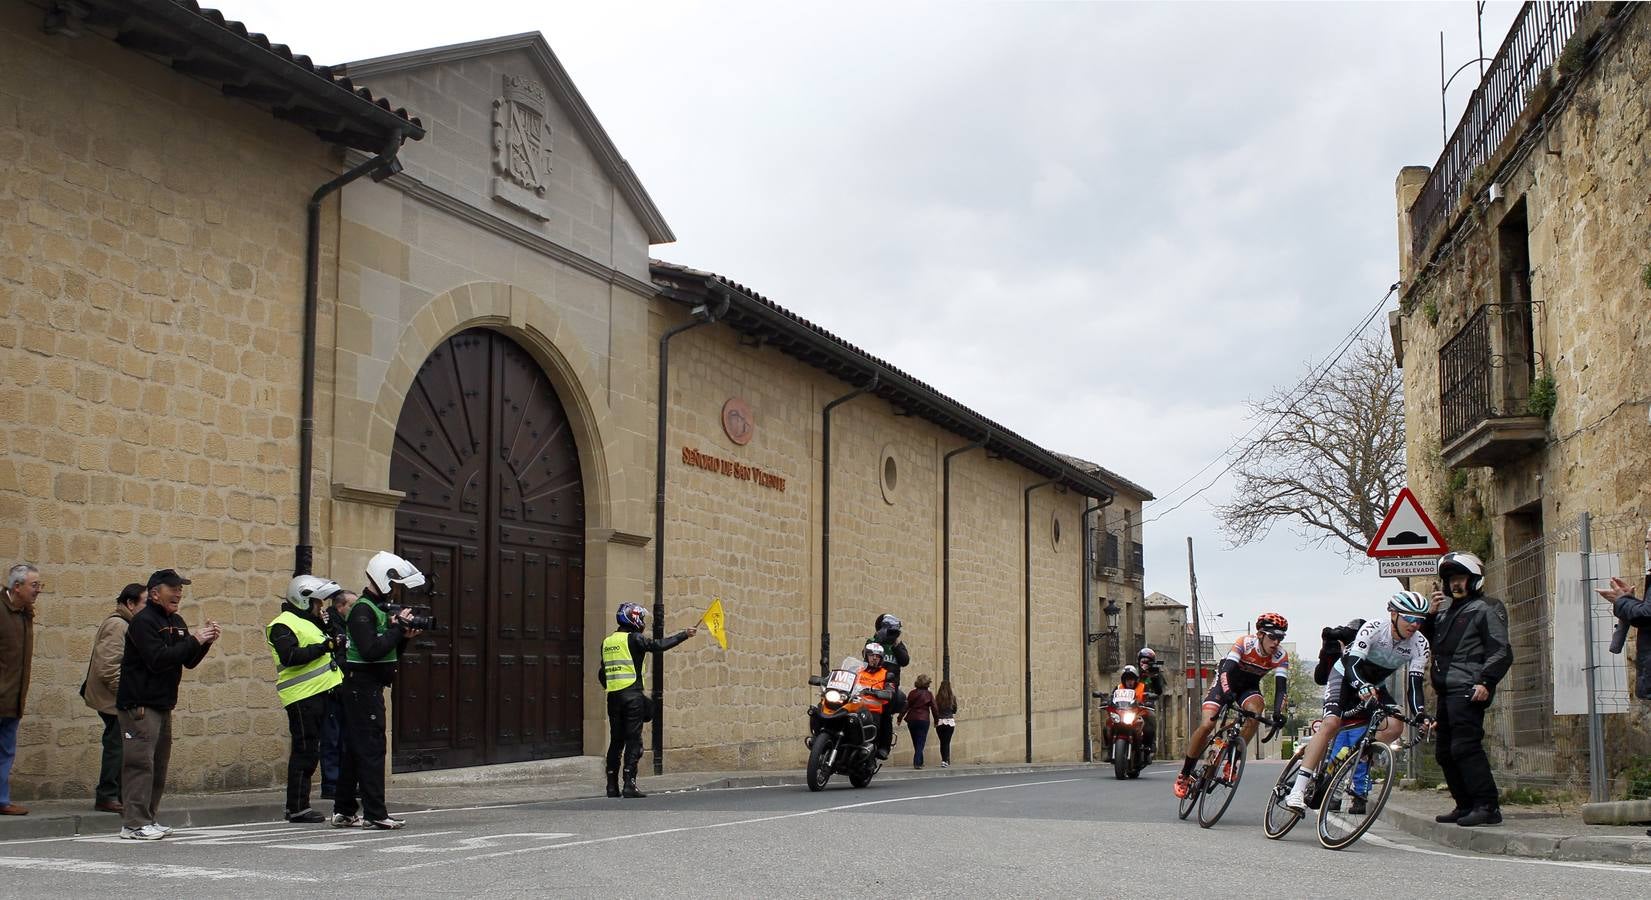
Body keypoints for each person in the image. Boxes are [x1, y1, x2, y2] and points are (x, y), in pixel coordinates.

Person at [1285, 592, 1432, 813]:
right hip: (1346, 677)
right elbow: (1353, 664)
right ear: (1393, 614)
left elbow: (1415, 685)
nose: (1415, 624)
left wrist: (1420, 714)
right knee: (1331, 724)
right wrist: (1361, 684)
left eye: (1420, 619)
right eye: (1409, 618)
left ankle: (1354, 756)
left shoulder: (1420, 644)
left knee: (1395, 725)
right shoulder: (1374, 628)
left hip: (1374, 685)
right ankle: (1298, 789)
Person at [117, 569, 219, 840]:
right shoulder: (143, 622)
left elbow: (187, 660)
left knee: (158, 764)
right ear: (154, 593)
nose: (178, 592)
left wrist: (204, 643)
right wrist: (194, 640)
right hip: (139, 704)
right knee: (140, 763)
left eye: (180, 588)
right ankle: (134, 824)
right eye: (172, 588)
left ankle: (149, 818)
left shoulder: (176, 620)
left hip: (162, 703)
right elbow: (157, 658)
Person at [334, 552, 424, 830]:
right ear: (384, 579)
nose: (397, 590)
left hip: (367, 686)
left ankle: (345, 810)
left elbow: (387, 652)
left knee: (354, 749)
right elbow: (371, 651)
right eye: (395, 584)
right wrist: (397, 631)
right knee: (372, 749)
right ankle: (374, 813)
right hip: (362, 687)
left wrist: (403, 638)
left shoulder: (377, 608)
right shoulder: (363, 610)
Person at [1426, 551, 1513, 828]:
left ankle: (1487, 806)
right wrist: (1430, 614)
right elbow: (1429, 640)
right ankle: (1465, 805)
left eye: (1460, 578)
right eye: (1450, 579)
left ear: (1474, 579)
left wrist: (1486, 682)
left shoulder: (1487, 608)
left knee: (1465, 747)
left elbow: (1501, 651)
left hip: (1468, 689)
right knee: (1444, 752)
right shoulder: (1446, 614)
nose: (1455, 584)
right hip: (1446, 692)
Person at [1173, 613, 1289, 800]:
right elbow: (1226, 670)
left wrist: (1278, 713)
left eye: (1280, 637)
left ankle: (1232, 760)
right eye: (1272, 636)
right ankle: (1185, 774)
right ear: (1260, 634)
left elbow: (1281, 688)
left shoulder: (1281, 655)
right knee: (1207, 726)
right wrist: (1227, 693)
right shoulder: (1244, 642)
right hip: (1224, 682)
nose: (1276, 642)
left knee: (1255, 713)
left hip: (1248, 688)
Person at [268, 575, 347, 824]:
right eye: (317, 603)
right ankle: (297, 807)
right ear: (303, 600)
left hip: (319, 694)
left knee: (313, 750)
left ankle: (300, 805)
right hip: (302, 697)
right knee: (305, 751)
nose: (320, 607)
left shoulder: (309, 623)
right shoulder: (283, 624)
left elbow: (334, 646)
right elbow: (290, 655)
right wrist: (325, 647)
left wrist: (330, 631)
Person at [600, 601, 697, 798]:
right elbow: (657, 645)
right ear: (633, 618)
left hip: (613, 697)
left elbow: (602, 673)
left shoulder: (607, 642)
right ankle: (629, 783)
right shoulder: (635, 639)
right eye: (641, 618)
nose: (642, 621)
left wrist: (612, 686)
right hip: (632, 696)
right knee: (634, 740)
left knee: (616, 741)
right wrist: (683, 635)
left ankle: (611, 786)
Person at [82, 583, 144, 814]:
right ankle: (107, 795)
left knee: (122, 745)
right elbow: (108, 667)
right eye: (144, 603)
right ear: (130, 603)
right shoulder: (118, 625)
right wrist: (126, 695)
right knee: (116, 746)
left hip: (117, 697)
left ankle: (116, 794)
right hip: (113, 699)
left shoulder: (125, 624)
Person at [0, 564, 42, 817]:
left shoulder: (25, 612)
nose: (38, 590)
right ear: (17, 587)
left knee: (6, 751)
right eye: (34, 585)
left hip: (13, 700)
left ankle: (2, 800)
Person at [318, 589, 355, 800]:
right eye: (350, 605)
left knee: (345, 738)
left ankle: (343, 783)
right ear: (340, 606)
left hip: (346, 686)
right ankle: (331, 784)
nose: (353, 609)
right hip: (333, 686)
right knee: (332, 738)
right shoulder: (329, 624)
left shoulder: (346, 625)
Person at [870, 614, 911, 759]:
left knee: (886, 715)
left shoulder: (898, 646)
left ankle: (884, 747)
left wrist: (896, 645)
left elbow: (905, 660)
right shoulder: (873, 642)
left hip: (889, 686)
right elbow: (865, 657)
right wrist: (878, 640)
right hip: (871, 683)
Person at [1102, 665, 1145, 763]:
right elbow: (1112, 699)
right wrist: (1106, 702)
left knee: (1148, 726)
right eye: (1127, 679)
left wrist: (1148, 701)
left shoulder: (1142, 687)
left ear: (1135, 680)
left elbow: (1147, 696)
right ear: (1123, 680)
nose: (1129, 682)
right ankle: (1110, 750)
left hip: (1138, 713)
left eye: (1131, 679)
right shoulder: (1118, 688)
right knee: (1107, 726)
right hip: (1121, 714)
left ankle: (1147, 749)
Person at [900, 674, 937, 770]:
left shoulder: (912, 693)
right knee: (921, 741)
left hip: (912, 719)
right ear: (927, 684)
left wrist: (900, 718)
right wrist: (936, 720)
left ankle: (920, 761)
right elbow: (934, 708)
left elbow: (906, 706)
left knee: (916, 741)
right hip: (923, 719)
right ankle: (917, 762)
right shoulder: (929, 694)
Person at [934, 680, 958, 768]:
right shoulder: (952, 697)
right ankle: (945, 760)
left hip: (940, 722)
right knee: (947, 742)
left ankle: (943, 759)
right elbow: (955, 710)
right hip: (949, 722)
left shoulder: (937, 698)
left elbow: (935, 709)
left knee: (942, 742)